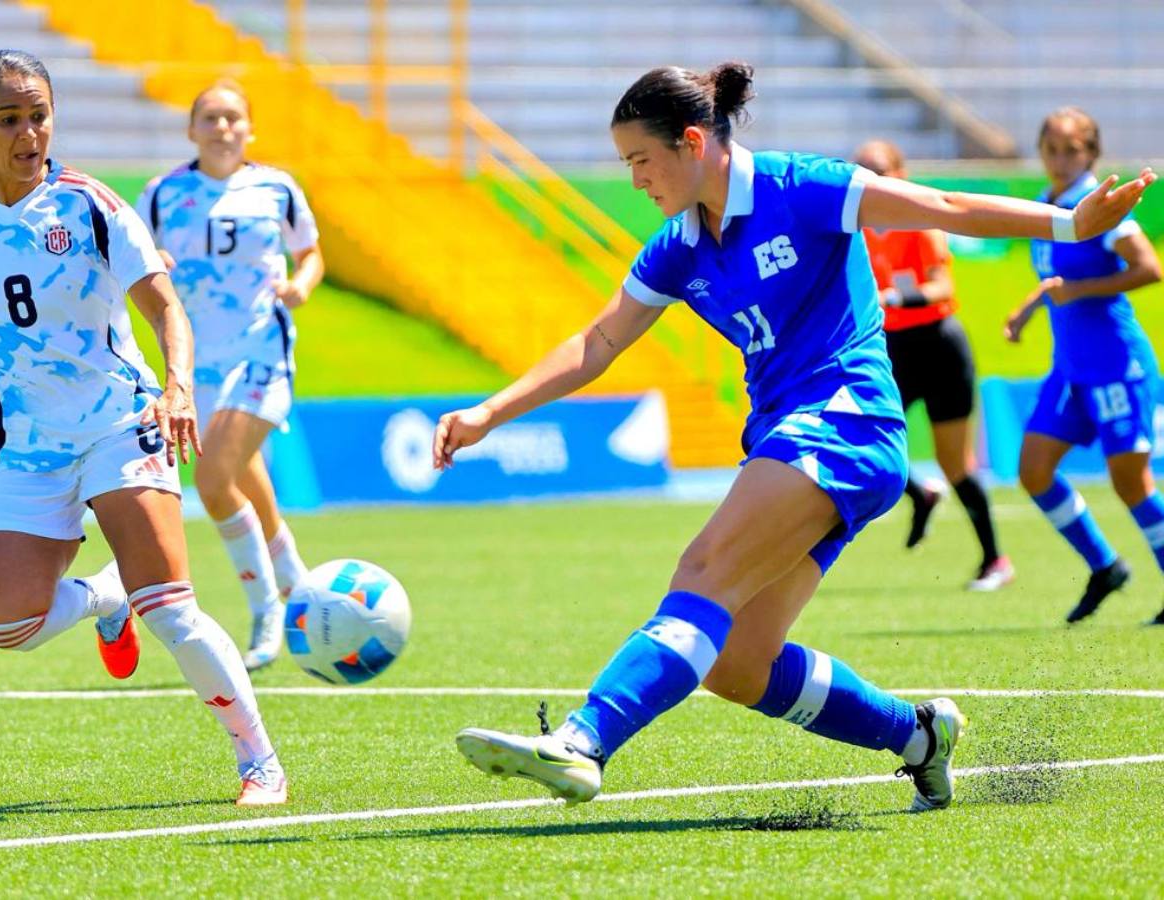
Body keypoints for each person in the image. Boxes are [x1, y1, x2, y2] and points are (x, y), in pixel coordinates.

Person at [435, 64, 1154, 808]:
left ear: (691, 143)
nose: (637, 179)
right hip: (797, 441)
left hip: (846, 421)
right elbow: (599, 342)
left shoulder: (802, 186)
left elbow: (938, 205)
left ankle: (584, 741)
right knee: (739, 667)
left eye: (640, 161)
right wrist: (491, 412)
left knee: (705, 566)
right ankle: (919, 737)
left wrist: (1070, 224)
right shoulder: (679, 247)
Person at [0, 50, 287, 805]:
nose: (29, 133)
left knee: (171, 606)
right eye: (9, 118)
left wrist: (177, 387)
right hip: (25, 445)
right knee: (7, 627)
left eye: (39, 115)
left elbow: (166, 308)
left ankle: (259, 761)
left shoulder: (93, 206)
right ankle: (106, 599)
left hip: (119, 421)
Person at [136, 80, 323, 670]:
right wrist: (155, 263)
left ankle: (266, 605)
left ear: (250, 129)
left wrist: (301, 284)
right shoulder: (163, 194)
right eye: (210, 118)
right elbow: (135, 256)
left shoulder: (277, 187)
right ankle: (294, 575)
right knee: (241, 468)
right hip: (196, 362)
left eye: (233, 118)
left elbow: (311, 252)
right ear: (192, 130)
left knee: (214, 481)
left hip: (261, 352)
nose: (222, 128)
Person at [1005, 107, 1164, 625]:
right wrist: (1029, 309)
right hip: (1071, 368)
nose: (1059, 159)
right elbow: (1058, 281)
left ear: (1091, 154)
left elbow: (1149, 269)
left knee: (1130, 482)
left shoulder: (1103, 206)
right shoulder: (1048, 206)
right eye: (1050, 149)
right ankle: (1105, 565)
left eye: (1070, 150)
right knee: (1032, 469)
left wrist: (1079, 290)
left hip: (1116, 365)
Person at [854, 140, 1012, 591]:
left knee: (955, 463)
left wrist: (892, 298)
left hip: (939, 347)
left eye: (879, 170)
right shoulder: (855, 230)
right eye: (861, 170)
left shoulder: (919, 223)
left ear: (901, 174)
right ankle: (920, 494)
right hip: (893, 350)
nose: (871, 179)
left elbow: (942, 287)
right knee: (862, 439)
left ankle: (994, 560)